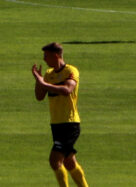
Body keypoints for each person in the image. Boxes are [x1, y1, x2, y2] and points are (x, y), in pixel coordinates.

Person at [31, 41, 89, 187]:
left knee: (55, 161)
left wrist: (43, 83)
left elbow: (67, 90)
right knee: (69, 163)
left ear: (56, 56)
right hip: (56, 124)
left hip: (70, 123)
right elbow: (39, 97)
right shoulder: (49, 74)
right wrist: (39, 81)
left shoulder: (71, 71)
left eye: (46, 56)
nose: (44, 59)